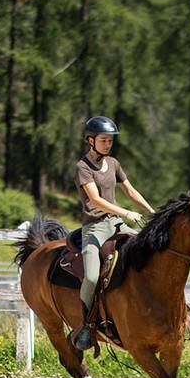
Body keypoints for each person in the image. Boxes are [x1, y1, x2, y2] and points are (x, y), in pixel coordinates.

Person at [73, 115, 155, 350]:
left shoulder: (114, 163)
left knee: (145, 250)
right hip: (95, 228)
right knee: (90, 276)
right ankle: (86, 325)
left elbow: (130, 190)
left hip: (116, 224)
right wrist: (127, 213)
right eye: (104, 140)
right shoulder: (83, 168)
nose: (108, 145)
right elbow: (96, 201)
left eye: (110, 141)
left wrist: (151, 211)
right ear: (90, 140)